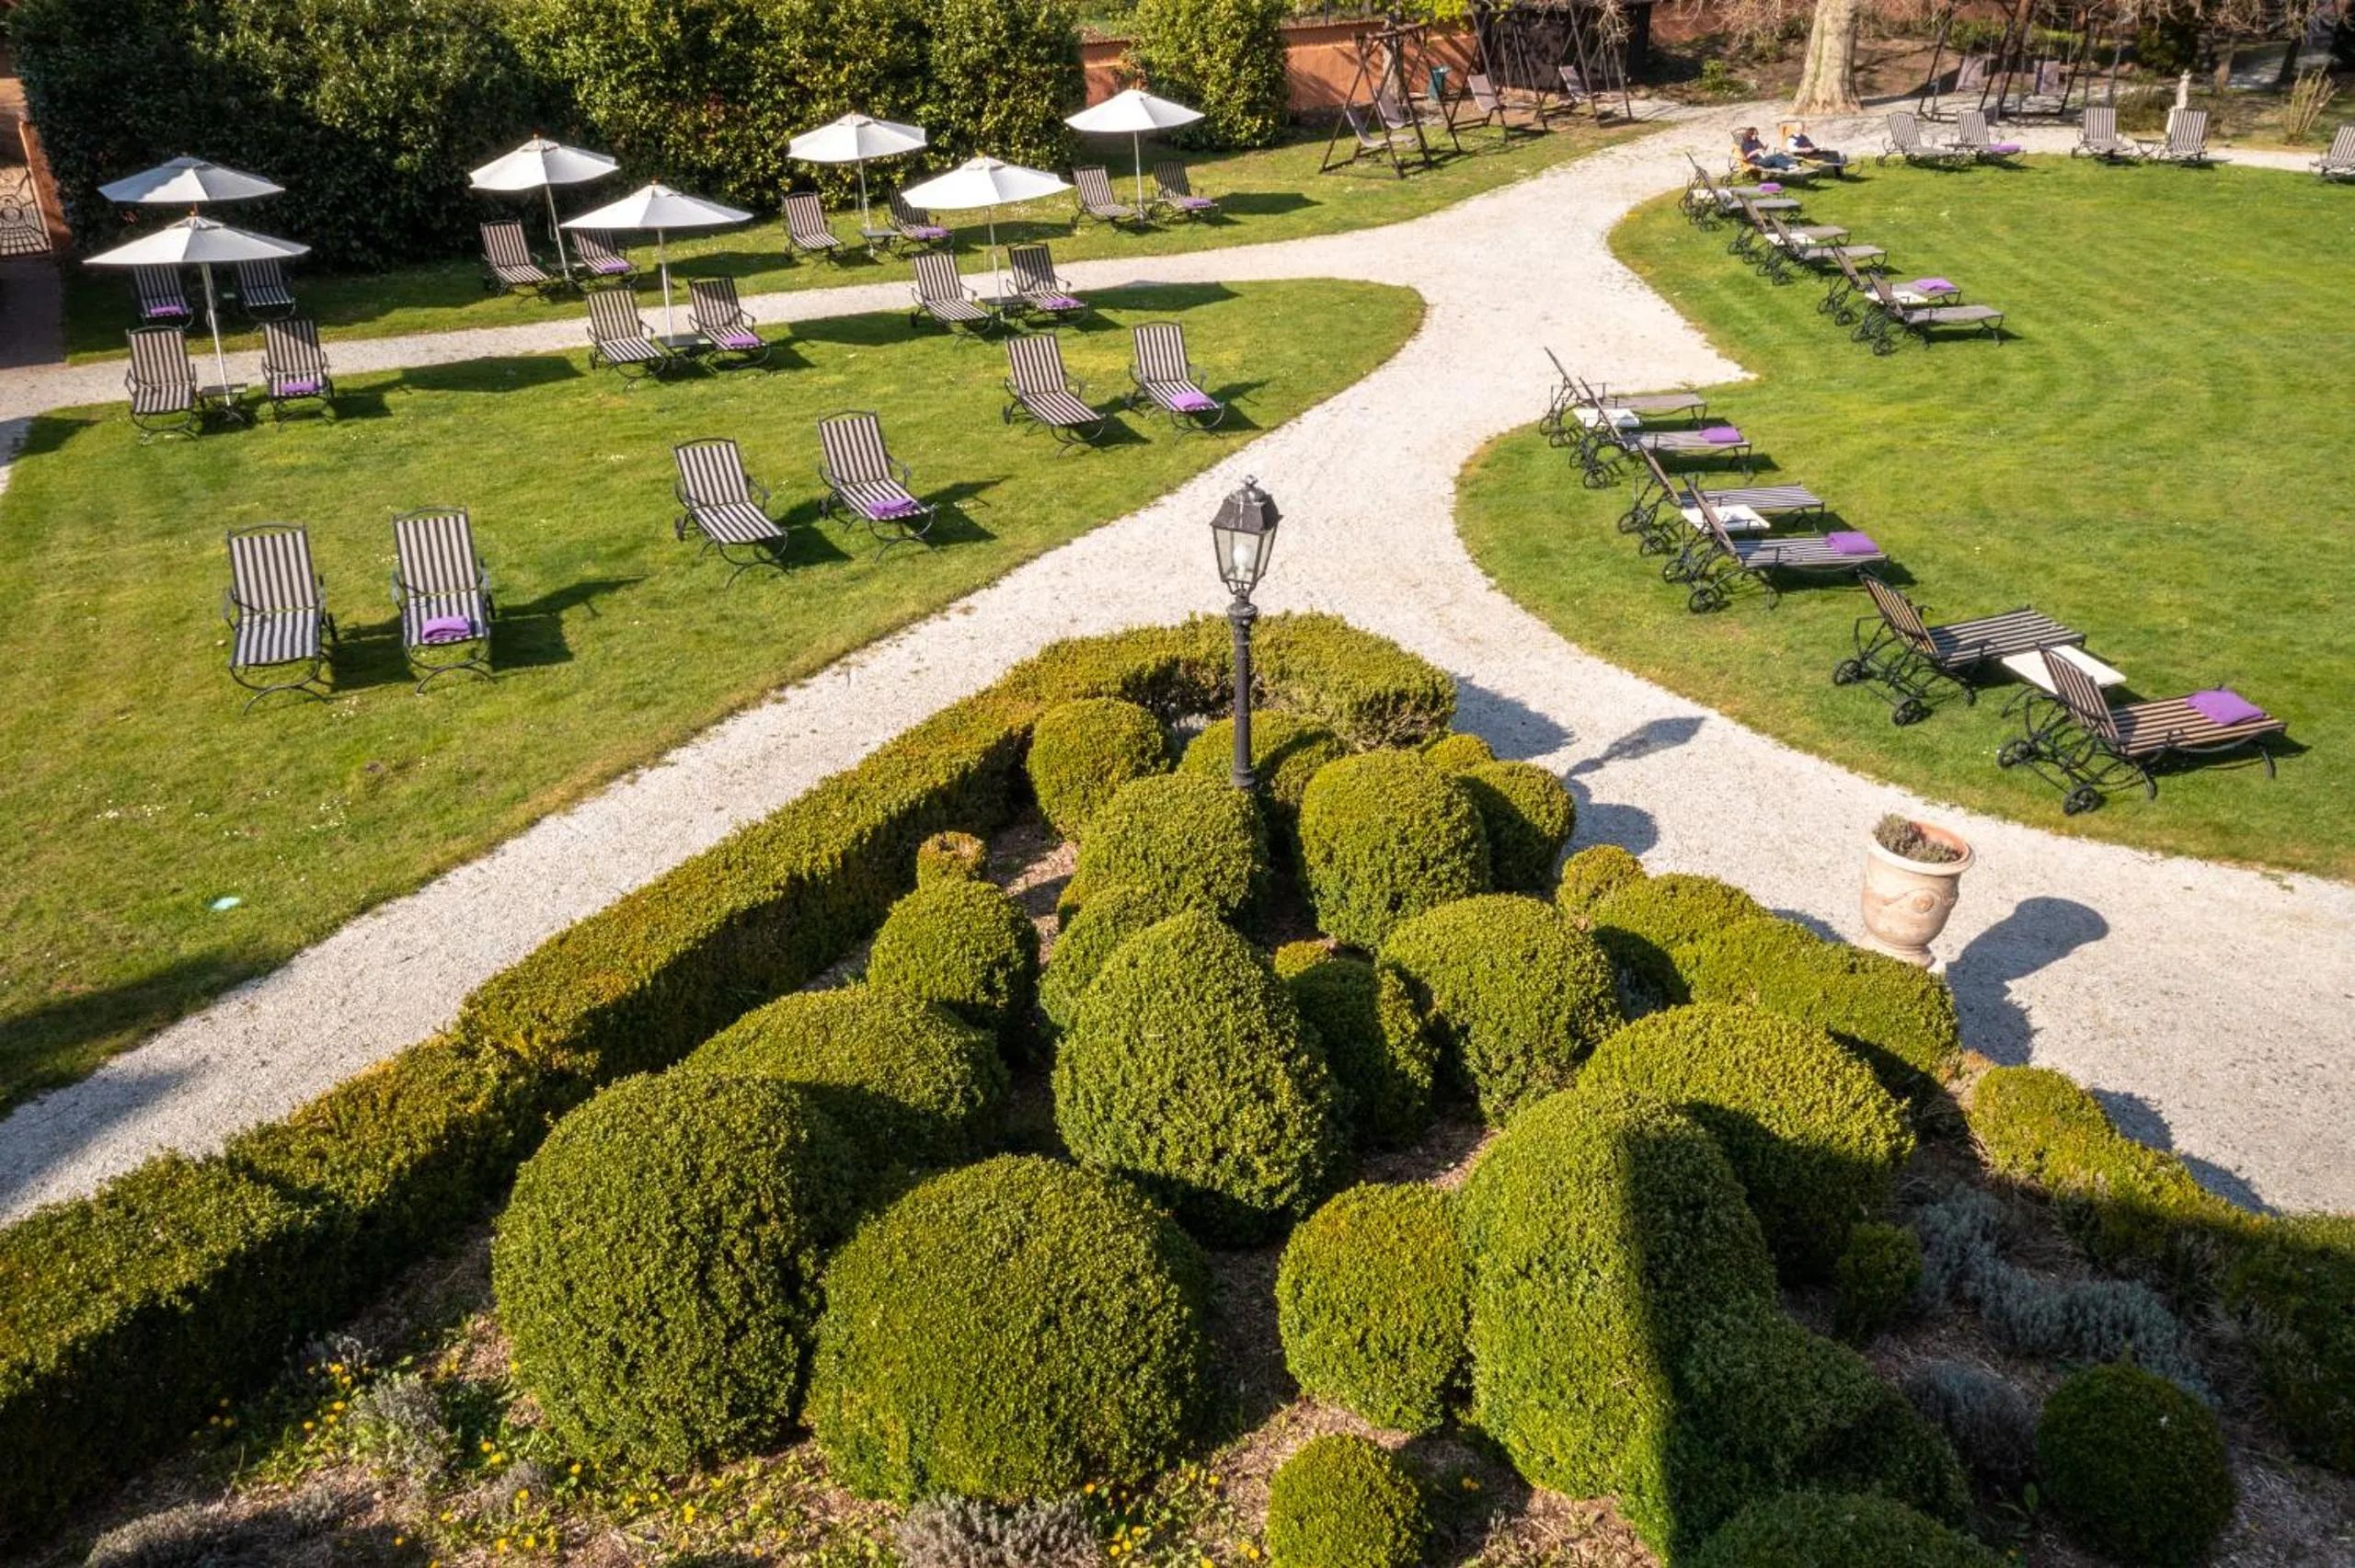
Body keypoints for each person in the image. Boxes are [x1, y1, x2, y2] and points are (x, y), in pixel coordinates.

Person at [1781, 120, 1849, 170]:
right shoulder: (1792, 139)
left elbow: (1811, 145)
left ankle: (1839, 168)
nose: (1802, 128)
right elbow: (1791, 149)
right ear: (1795, 128)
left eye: (1802, 127)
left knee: (1834, 153)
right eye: (1800, 127)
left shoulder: (1804, 137)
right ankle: (1840, 161)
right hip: (1806, 155)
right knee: (1824, 156)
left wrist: (1819, 148)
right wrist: (1804, 149)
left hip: (1813, 151)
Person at [1735, 126, 1799, 172]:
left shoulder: (1756, 140)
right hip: (1757, 162)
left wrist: (1765, 147)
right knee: (1774, 157)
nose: (1757, 136)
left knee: (1779, 155)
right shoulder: (1745, 144)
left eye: (1757, 134)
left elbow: (1762, 150)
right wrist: (1756, 151)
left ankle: (1791, 166)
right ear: (1750, 134)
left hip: (1763, 158)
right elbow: (1747, 156)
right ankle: (1789, 166)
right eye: (1755, 134)